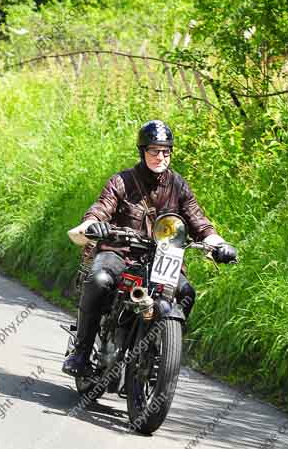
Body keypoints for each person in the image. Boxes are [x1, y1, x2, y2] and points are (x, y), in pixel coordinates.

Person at [62, 120, 237, 376]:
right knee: (99, 280)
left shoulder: (179, 186)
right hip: (120, 253)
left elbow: (200, 223)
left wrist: (219, 245)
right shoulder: (122, 181)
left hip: (161, 259)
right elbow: (102, 207)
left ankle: (159, 353)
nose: (160, 156)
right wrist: (93, 224)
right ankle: (81, 352)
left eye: (166, 151)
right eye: (154, 150)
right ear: (142, 151)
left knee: (187, 292)